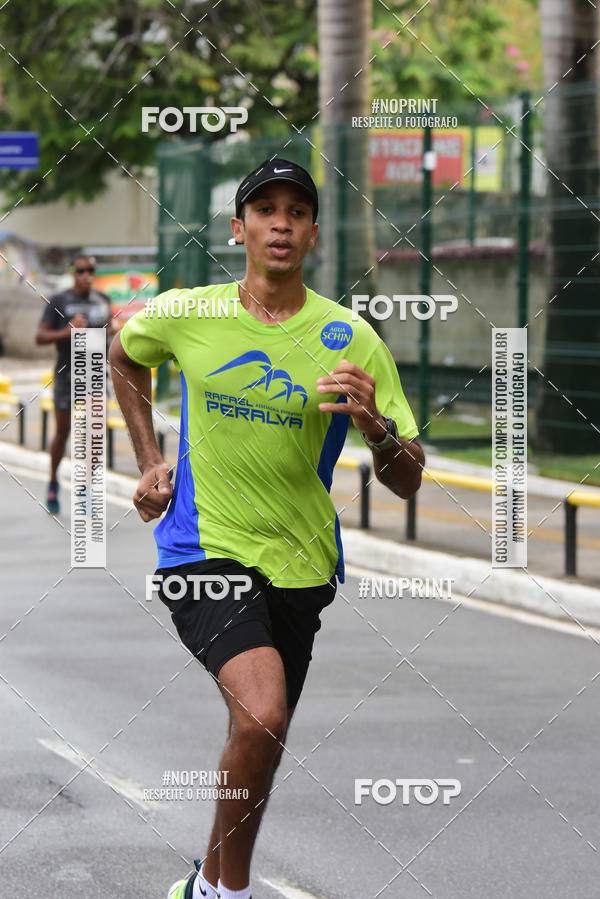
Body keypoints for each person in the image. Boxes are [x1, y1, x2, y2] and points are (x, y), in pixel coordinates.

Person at [109, 158, 425, 899]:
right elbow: (124, 355)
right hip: (202, 549)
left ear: (313, 232)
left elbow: (407, 478)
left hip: (302, 566)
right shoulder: (192, 311)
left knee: (261, 735)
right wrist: (153, 459)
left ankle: (206, 883)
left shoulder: (351, 337)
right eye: (265, 209)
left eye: (296, 211)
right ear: (239, 228)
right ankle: (232, 894)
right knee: (263, 711)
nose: (280, 222)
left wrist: (375, 425)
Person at [36, 253, 114, 514]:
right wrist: (67, 331)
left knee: (94, 433)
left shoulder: (102, 300)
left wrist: (116, 334)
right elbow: (40, 336)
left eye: (90, 270)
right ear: (73, 272)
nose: (86, 275)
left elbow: (110, 333)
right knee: (63, 432)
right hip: (67, 374)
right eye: (80, 270)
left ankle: (86, 489)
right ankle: (53, 480)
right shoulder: (59, 300)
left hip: (94, 374)